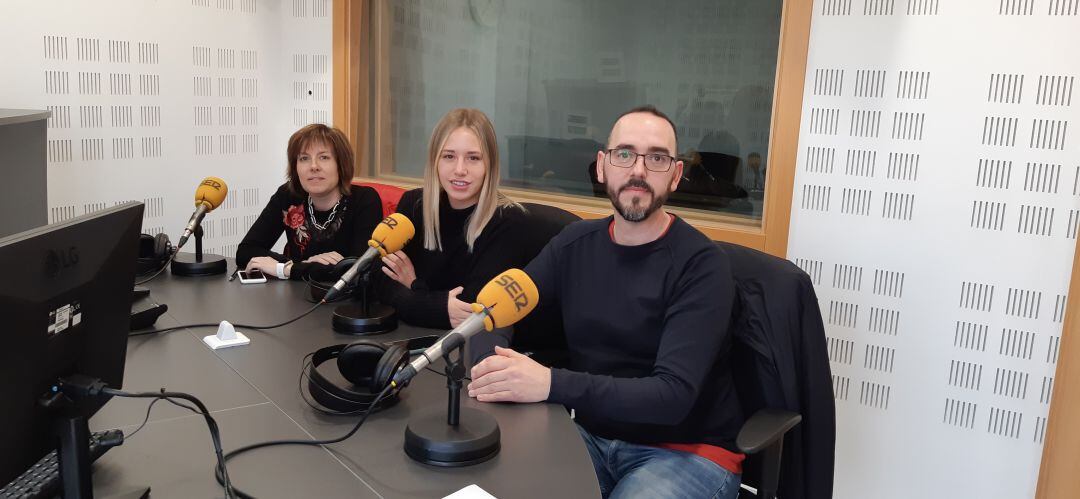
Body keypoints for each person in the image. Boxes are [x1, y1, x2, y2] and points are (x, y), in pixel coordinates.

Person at [467, 106, 744, 498]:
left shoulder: (701, 266)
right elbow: (496, 310)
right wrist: (490, 370)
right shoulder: (574, 244)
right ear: (602, 167)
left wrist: (549, 382)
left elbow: (672, 397)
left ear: (677, 175)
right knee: (495, 484)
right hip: (592, 436)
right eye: (625, 154)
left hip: (686, 451)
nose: (639, 171)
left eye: (658, 158)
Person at [376, 108, 570, 331]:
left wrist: (412, 285)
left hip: (471, 351)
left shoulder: (509, 222)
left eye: (473, 158)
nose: (460, 170)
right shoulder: (413, 204)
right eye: (449, 156)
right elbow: (376, 277)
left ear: (490, 164)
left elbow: (472, 314)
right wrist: (433, 305)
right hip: (409, 337)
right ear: (434, 161)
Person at [237, 124, 383, 281]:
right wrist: (302, 266)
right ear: (296, 167)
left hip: (345, 302)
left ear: (341, 165)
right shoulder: (288, 195)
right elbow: (246, 252)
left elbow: (358, 270)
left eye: (324, 157)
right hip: (295, 297)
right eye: (304, 158)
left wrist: (285, 269)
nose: (313, 166)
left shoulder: (365, 199)